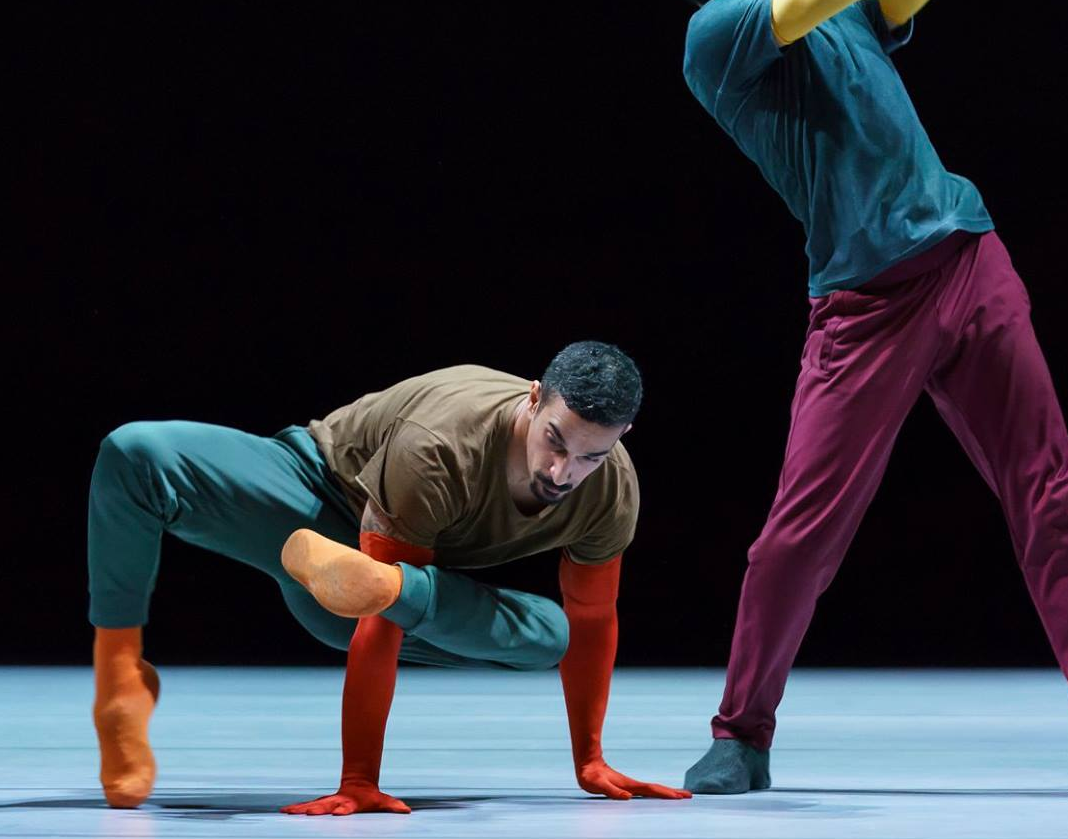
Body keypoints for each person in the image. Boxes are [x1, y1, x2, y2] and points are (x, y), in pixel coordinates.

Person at [619, 0, 1068, 798]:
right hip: (862, 305)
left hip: (966, 258)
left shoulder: (843, 16)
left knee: (1047, 486)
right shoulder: (716, 37)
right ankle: (741, 733)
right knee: (800, 531)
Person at [87, 340, 689, 812]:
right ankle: (120, 683)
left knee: (554, 635)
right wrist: (358, 780)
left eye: (590, 456)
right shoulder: (441, 443)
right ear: (534, 399)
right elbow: (376, 624)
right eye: (554, 441)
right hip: (310, 495)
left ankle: (387, 585)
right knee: (134, 454)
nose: (562, 471)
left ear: (622, 438)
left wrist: (590, 760)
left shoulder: (611, 491)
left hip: (391, 588)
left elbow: (594, 617)